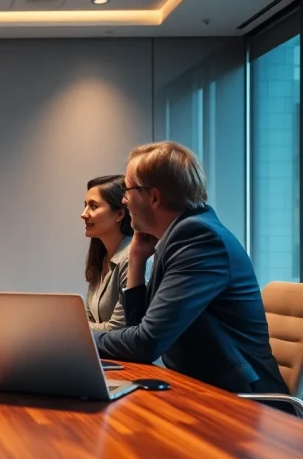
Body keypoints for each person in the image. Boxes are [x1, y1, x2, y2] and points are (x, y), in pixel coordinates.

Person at [93, 141, 288, 396]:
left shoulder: (198, 238)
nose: (124, 199)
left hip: (245, 402)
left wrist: (82, 339)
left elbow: (146, 344)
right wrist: (137, 259)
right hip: (203, 389)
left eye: (128, 189)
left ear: (153, 197)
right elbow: (138, 328)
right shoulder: (180, 235)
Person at [81, 175, 134, 331]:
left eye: (94, 206)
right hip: (103, 354)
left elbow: (119, 328)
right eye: (85, 205)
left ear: (120, 214)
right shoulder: (101, 258)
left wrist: (74, 328)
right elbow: (87, 318)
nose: (83, 214)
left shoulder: (131, 258)